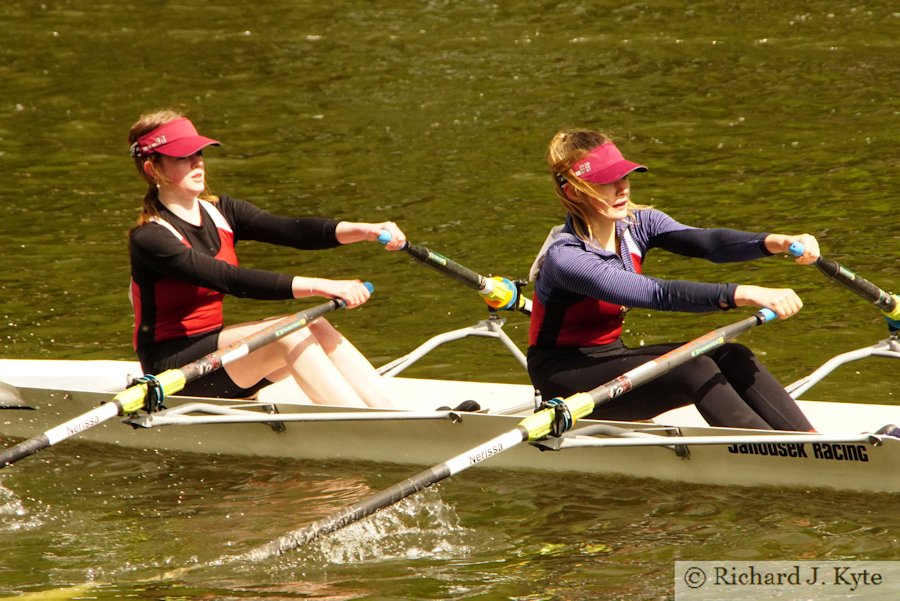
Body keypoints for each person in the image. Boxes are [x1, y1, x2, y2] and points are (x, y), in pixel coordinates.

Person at [527, 129, 818, 431]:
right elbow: (655, 293)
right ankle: (772, 456)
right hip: (563, 378)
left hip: (612, 356)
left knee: (731, 353)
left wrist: (779, 241)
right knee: (696, 367)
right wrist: (745, 294)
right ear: (574, 192)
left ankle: (811, 442)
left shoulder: (638, 224)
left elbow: (710, 243)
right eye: (606, 181)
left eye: (624, 177)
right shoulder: (566, 258)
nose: (622, 188)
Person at [127, 109, 406, 408]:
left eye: (198, 152)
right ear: (152, 169)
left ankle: (391, 411)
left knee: (316, 324)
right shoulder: (150, 239)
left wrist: (365, 230)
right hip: (172, 373)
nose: (197, 162)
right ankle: (365, 430)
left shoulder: (223, 211)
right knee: (289, 333)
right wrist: (323, 286)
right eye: (182, 156)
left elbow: (294, 230)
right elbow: (228, 279)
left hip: (218, 356)